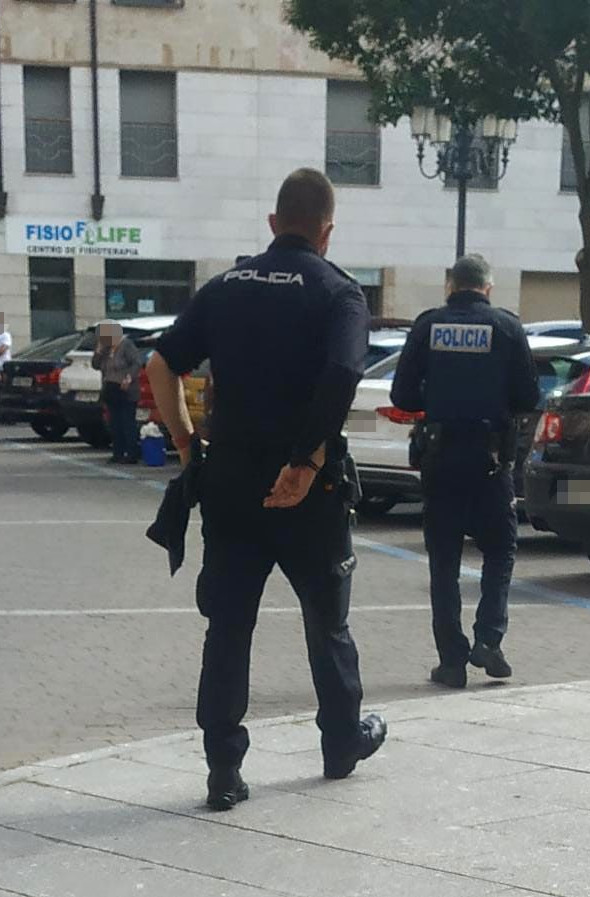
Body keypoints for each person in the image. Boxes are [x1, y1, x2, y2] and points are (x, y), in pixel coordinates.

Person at [144, 167, 387, 812]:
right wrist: (305, 461)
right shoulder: (339, 292)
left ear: (274, 224)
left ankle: (223, 768)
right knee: (327, 623)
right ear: (327, 232)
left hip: (229, 482)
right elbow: (344, 369)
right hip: (310, 489)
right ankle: (341, 742)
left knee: (228, 626)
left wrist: (188, 441)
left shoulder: (226, 286)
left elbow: (161, 363)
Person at [390, 254, 540, 690]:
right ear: (488, 288)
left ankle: (451, 661)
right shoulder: (507, 328)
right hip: (491, 461)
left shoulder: (428, 326)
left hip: (439, 460)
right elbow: (529, 396)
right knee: (500, 549)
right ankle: (489, 640)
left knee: (444, 562)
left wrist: (438, 395)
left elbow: (401, 394)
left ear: (450, 285)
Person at [92, 320, 143, 464]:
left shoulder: (126, 345)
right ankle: (118, 452)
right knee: (114, 423)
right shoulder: (106, 349)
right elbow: (95, 365)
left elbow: (137, 362)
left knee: (127, 422)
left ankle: (132, 453)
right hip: (111, 389)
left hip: (126, 390)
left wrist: (129, 377)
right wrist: (99, 350)